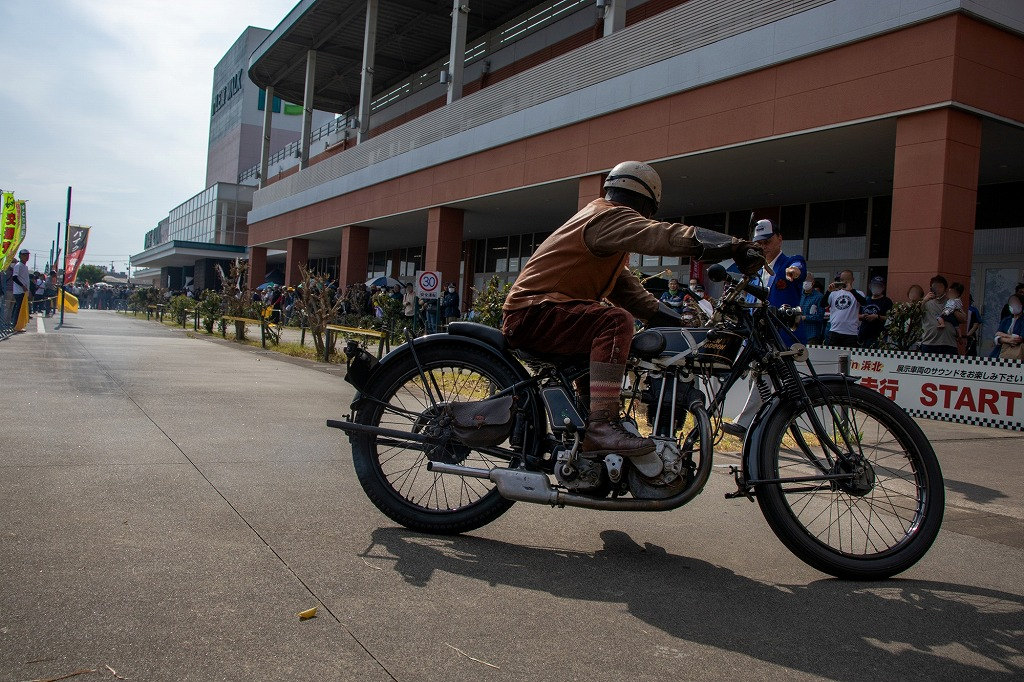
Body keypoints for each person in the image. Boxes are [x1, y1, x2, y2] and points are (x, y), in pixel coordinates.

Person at [503, 160, 762, 457]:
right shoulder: (608, 216)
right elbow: (660, 235)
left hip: (540, 314)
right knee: (614, 323)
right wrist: (733, 246)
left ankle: (587, 433)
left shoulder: (602, 234)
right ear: (646, 204)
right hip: (534, 313)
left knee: (606, 330)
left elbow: (633, 296)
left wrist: (678, 324)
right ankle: (602, 427)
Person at [722, 217, 805, 437]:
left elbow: (798, 268)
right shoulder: (756, 271)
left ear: (779, 238)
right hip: (757, 334)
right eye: (759, 242)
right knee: (765, 381)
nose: (763, 246)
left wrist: (793, 273)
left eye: (767, 241)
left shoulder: (789, 263)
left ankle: (745, 423)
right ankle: (769, 427)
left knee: (767, 378)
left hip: (780, 334)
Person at [921, 275, 963, 355]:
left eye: (940, 287)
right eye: (935, 287)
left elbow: (963, 319)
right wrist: (924, 300)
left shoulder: (952, 302)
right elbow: (914, 314)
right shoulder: (926, 303)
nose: (938, 290)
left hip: (948, 343)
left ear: (945, 289)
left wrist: (952, 308)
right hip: (929, 343)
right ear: (931, 289)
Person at [823, 270, 861, 348]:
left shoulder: (858, 293)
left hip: (851, 332)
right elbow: (823, 304)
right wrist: (828, 291)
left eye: (848, 280)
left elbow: (864, 303)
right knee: (831, 355)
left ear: (853, 280)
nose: (845, 282)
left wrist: (851, 290)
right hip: (835, 330)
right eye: (843, 280)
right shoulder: (834, 294)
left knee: (850, 356)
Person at [857, 275, 892, 348]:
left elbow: (891, 318)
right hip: (863, 335)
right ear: (870, 286)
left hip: (878, 336)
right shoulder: (865, 300)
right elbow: (857, 315)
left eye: (879, 285)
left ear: (883, 287)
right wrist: (863, 316)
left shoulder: (887, 301)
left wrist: (877, 317)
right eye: (874, 285)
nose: (876, 287)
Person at [992, 294, 1024, 359]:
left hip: (1017, 354)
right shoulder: (1006, 320)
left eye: (1016, 302)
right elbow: (996, 338)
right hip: (1001, 353)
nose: (1013, 305)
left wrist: (1002, 335)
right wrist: (1008, 340)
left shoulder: (1022, 320)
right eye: (1011, 303)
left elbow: (1019, 338)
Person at [797, 278, 825, 345]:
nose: (805, 283)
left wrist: (805, 317)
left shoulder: (819, 297)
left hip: (812, 335)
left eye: (807, 280)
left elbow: (820, 316)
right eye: (804, 280)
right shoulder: (799, 295)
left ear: (812, 283)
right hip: (798, 333)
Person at [10, 249, 32, 331]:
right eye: (24, 255)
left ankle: (19, 325)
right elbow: (14, 278)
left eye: (27, 255)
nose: (27, 257)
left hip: (24, 291)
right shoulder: (18, 265)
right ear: (20, 256)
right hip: (19, 291)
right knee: (18, 308)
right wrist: (22, 286)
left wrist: (28, 290)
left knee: (21, 309)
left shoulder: (25, 266)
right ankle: (16, 325)